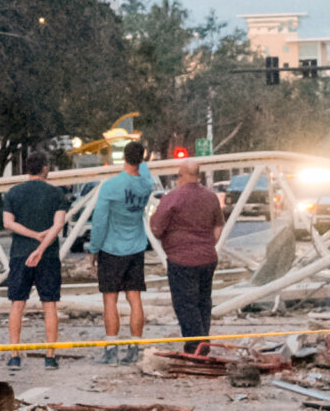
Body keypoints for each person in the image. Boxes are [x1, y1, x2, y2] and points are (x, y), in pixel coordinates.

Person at [0, 151, 69, 372]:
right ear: (45, 168)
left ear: (27, 168)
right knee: (50, 305)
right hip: (48, 255)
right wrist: (41, 246)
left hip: (20, 253)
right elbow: (58, 225)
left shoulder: (13, 193)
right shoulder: (56, 193)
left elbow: (8, 223)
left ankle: (14, 355)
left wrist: (32, 235)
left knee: (17, 304)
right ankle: (50, 356)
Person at [149, 161, 227, 354]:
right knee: (203, 302)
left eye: (177, 176)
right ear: (198, 176)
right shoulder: (211, 197)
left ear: (182, 176)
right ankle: (203, 343)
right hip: (207, 257)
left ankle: (195, 347)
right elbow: (219, 225)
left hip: (181, 259)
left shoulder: (172, 198)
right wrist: (209, 244)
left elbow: (156, 228)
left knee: (185, 304)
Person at [90, 140, 155, 362]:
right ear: (141, 159)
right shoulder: (146, 184)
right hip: (135, 246)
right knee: (134, 297)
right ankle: (135, 347)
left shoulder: (111, 186)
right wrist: (141, 161)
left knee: (110, 299)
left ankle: (111, 349)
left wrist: (94, 248)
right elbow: (144, 170)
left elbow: (99, 221)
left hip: (111, 247)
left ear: (123, 158)